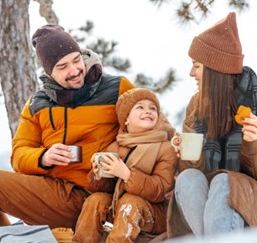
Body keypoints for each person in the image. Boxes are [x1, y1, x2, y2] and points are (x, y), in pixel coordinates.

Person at [0, 24, 135, 242]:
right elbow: (18, 155)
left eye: (76, 60)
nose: (74, 71)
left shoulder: (116, 88)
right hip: (53, 193)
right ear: (49, 72)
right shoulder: (38, 104)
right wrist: (44, 157)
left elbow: (156, 125)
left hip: (93, 196)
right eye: (62, 66)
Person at [167, 12, 257, 238]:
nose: (191, 73)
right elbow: (193, 170)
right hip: (209, 197)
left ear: (214, 69)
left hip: (254, 196)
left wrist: (251, 143)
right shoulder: (196, 104)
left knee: (224, 180)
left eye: (196, 66)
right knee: (187, 179)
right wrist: (186, 152)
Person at [72, 88, 178, 243]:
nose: (148, 111)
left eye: (153, 108)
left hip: (155, 213)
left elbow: (161, 189)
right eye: (140, 107)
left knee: (131, 201)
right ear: (126, 118)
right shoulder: (116, 146)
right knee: (96, 200)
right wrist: (99, 174)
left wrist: (128, 175)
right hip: (119, 205)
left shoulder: (165, 147)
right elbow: (108, 188)